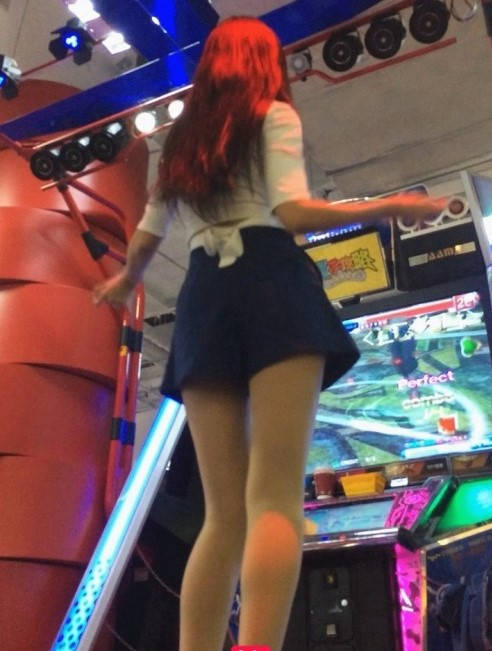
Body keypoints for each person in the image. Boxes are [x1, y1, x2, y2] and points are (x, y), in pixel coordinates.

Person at [93, 16, 445, 651]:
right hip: (272, 285)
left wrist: (124, 283)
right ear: (265, 63)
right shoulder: (272, 114)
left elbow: (147, 234)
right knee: (275, 498)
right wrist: (389, 206)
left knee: (221, 515)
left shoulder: (182, 142)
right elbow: (293, 213)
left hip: (204, 297)